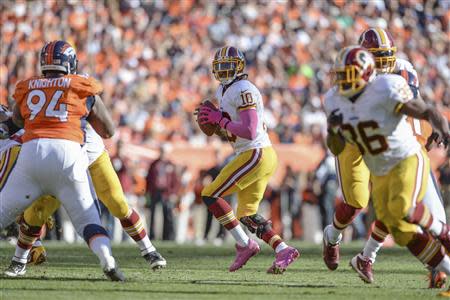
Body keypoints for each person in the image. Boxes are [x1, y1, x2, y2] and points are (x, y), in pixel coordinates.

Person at [322, 27, 447, 287]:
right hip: (366, 152)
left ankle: (440, 237)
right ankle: (338, 240)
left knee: (402, 209)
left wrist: (438, 124)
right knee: (378, 215)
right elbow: (335, 143)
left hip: (398, 153)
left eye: (384, 56)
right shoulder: (336, 97)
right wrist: (333, 130)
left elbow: (419, 108)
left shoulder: (390, 82)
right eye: (343, 77)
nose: (346, 83)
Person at [0, 40, 124, 281]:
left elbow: (15, 123)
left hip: (32, 154)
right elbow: (108, 130)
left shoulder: (28, 86)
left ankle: (20, 259)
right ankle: (107, 259)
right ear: (71, 62)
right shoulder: (81, 85)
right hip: (68, 154)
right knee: (88, 219)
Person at [198, 46, 299, 274]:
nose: (223, 71)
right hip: (255, 153)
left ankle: (245, 245)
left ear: (240, 67)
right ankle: (283, 249)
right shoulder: (225, 90)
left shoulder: (243, 88)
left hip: (255, 152)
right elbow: (233, 132)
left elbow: (250, 130)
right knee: (247, 214)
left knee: (209, 194)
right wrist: (216, 126)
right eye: (220, 67)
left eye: (228, 66)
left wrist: (219, 120)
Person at [146, 144, 179, 240]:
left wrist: (173, 193)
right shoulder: (154, 164)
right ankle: (152, 235)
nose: (163, 153)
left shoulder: (170, 164)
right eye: (161, 151)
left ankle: (168, 237)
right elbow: (148, 179)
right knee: (153, 215)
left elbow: (175, 180)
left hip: (166, 193)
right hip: (155, 191)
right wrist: (147, 193)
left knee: (168, 214)